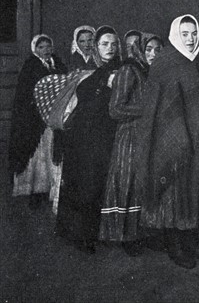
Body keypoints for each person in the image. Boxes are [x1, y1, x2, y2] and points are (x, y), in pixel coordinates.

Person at [135, 15, 199, 269]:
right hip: (171, 140)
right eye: (185, 34)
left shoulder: (196, 61)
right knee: (173, 195)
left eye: (194, 33)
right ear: (175, 35)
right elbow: (157, 107)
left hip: (196, 139)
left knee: (194, 193)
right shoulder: (166, 61)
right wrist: (178, 137)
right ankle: (175, 245)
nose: (191, 39)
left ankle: (194, 242)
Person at [55, 26, 121, 254]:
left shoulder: (120, 68)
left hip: (107, 134)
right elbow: (84, 101)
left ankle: (99, 233)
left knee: (103, 184)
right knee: (86, 185)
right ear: (96, 46)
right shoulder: (87, 68)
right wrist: (104, 82)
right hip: (84, 136)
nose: (110, 48)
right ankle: (82, 235)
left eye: (113, 44)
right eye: (104, 44)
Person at [99, 33, 163, 256]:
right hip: (130, 137)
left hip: (148, 136)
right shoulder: (129, 70)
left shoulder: (152, 72)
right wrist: (147, 110)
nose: (154, 54)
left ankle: (141, 234)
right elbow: (115, 109)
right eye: (149, 49)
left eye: (158, 49)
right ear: (139, 51)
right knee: (129, 184)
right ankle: (125, 236)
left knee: (143, 186)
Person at [9, 34, 67, 208]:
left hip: (54, 115)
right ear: (35, 49)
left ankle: (51, 188)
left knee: (52, 151)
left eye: (48, 46)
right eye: (41, 47)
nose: (46, 50)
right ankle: (35, 191)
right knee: (37, 153)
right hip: (34, 118)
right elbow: (24, 93)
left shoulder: (58, 63)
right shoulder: (30, 66)